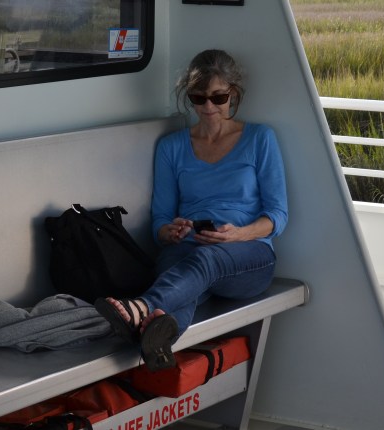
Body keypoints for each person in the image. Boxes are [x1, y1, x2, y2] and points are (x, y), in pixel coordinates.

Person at [96, 49, 288, 371]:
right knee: (174, 271)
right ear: (189, 97)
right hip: (188, 250)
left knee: (204, 260)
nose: (209, 107)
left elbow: (278, 215)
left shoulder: (260, 139)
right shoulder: (172, 147)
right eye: (199, 98)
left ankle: (142, 306)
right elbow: (160, 220)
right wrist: (170, 232)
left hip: (249, 255)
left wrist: (238, 234)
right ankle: (155, 339)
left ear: (234, 94)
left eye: (219, 97)